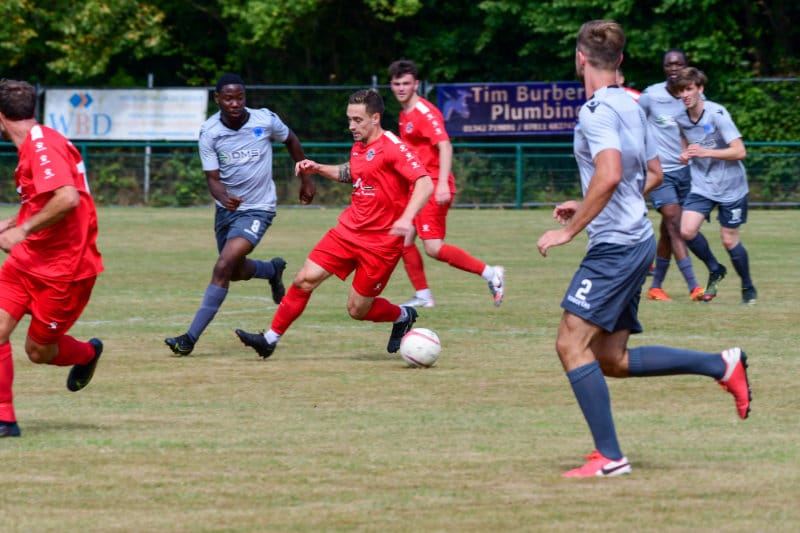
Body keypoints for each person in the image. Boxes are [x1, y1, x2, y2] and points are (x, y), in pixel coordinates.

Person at [536, 20, 751, 478]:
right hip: (636, 237)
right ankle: (721, 364)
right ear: (620, 60)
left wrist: (570, 229)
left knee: (570, 343)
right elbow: (652, 173)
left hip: (615, 246)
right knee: (610, 358)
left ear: (580, 59)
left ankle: (610, 457)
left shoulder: (595, 111)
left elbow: (611, 173)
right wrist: (588, 200)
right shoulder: (633, 105)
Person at [234, 89, 433, 359]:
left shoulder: (393, 147)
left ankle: (403, 315)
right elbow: (351, 172)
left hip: (381, 244)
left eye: (358, 120)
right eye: (349, 119)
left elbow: (424, 182)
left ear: (375, 118)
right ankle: (269, 340)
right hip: (348, 231)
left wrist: (407, 218)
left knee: (357, 310)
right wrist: (317, 168)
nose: (351, 126)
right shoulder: (360, 145)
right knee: (304, 279)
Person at [164, 74, 316, 356]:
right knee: (232, 271)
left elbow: (291, 139)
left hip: (258, 208)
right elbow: (212, 178)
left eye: (240, 97)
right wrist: (222, 197)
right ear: (217, 99)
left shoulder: (264, 120)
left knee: (223, 266)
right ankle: (271, 270)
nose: (235, 103)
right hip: (226, 211)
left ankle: (189, 338)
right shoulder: (210, 131)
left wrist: (306, 177)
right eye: (228, 98)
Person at [0, 79, 105, 438]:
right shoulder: (35, 144)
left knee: (38, 351)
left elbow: (67, 198)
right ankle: (5, 419)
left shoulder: (42, 146)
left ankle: (87, 354)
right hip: (25, 263)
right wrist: (11, 224)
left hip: (65, 270)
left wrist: (22, 232)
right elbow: (42, 200)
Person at [387, 60, 505, 308]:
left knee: (433, 248)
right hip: (419, 185)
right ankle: (423, 295)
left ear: (416, 84)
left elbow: (445, 146)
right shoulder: (404, 114)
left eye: (406, 83)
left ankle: (491, 273)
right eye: (397, 84)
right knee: (403, 239)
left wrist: (441, 184)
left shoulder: (424, 112)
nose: (401, 88)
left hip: (432, 185)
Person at [671, 67, 758, 305]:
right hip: (703, 185)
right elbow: (688, 145)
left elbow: (740, 151)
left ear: (700, 88)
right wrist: (685, 155)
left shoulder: (717, 114)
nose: (685, 95)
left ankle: (747, 286)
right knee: (686, 231)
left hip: (731, 186)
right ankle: (715, 268)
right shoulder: (681, 119)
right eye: (680, 91)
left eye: (689, 89)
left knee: (729, 240)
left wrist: (705, 152)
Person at [638, 49, 711, 301]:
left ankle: (655, 287)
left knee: (668, 229)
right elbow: (635, 127)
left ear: (686, 66)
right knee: (675, 223)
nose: (673, 68)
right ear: (664, 68)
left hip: (687, 172)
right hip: (660, 173)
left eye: (678, 64)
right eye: (669, 64)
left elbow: (705, 127)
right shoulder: (650, 96)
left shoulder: (692, 95)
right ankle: (694, 286)